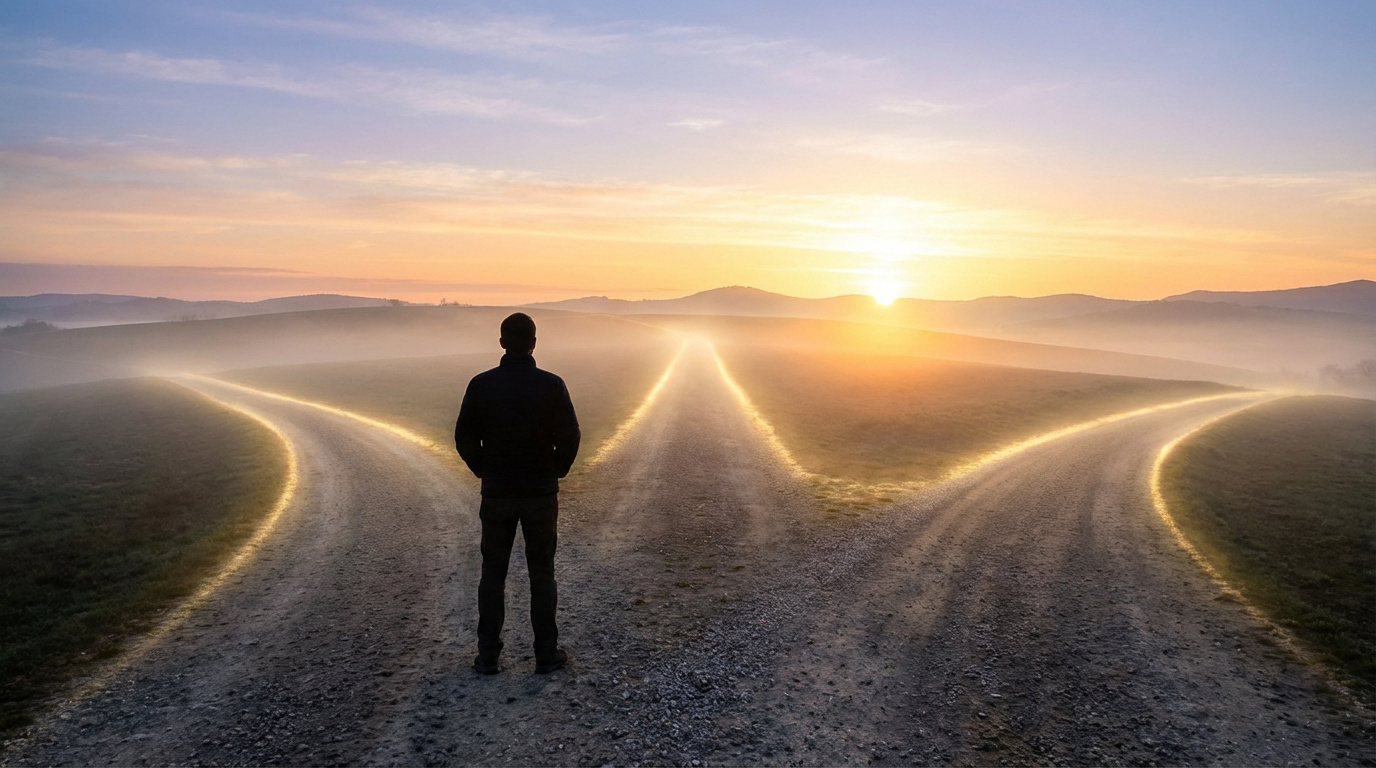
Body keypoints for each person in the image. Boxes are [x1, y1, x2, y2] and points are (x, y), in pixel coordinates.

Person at [455, 312, 580, 675]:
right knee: (542, 573)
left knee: (492, 574)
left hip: (497, 494)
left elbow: (464, 437)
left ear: (501, 343)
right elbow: (570, 436)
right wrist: (557, 468)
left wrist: (484, 469)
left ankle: (488, 655)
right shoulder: (552, 385)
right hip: (540, 492)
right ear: (534, 344)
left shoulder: (481, 385)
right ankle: (545, 653)